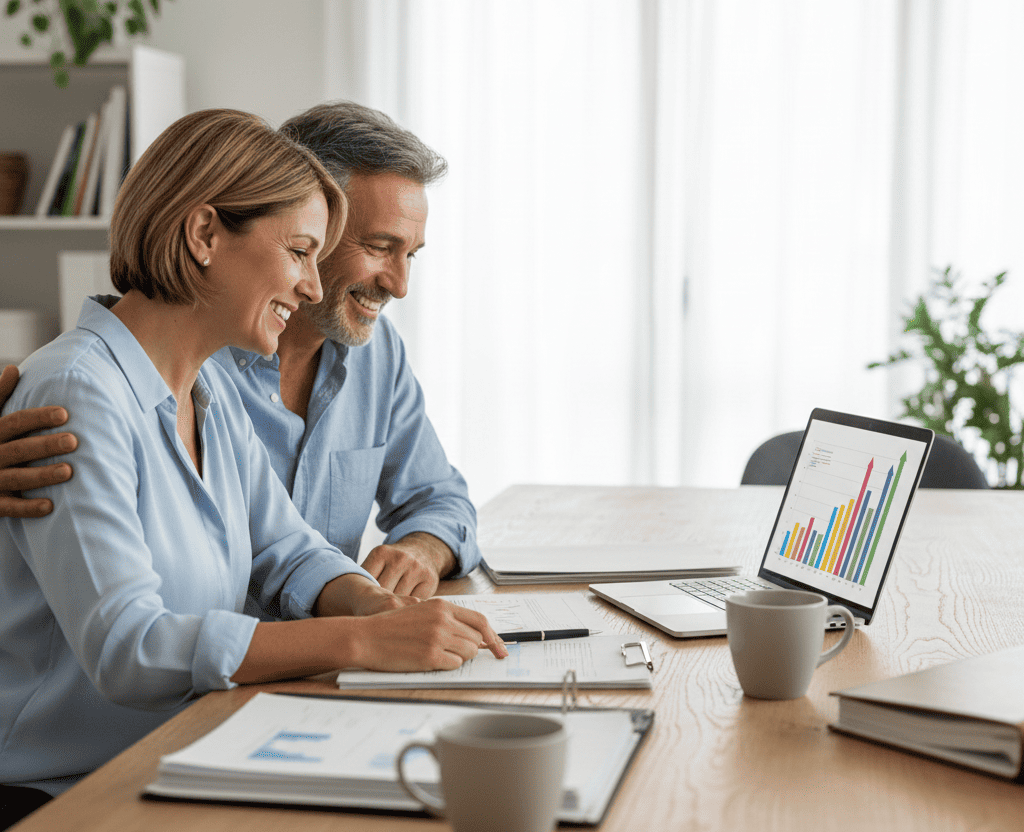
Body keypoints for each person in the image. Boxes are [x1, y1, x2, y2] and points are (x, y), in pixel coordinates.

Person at [0, 109, 505, 826]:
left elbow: (286, 547)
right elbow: (127, 646)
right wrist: (359, 640)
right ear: (205, 235)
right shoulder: (77, 393)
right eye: (301, 251)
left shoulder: (204, 393)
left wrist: (372, 603)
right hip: (72, 793)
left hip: (193, 749)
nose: (308, 286)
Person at [0, 100, 476, 606]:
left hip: (288, 671)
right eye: (380, 246)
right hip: (213, 677)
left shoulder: (367, 358)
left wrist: (409, 571)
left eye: (411, 255)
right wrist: (360, 637)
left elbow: (299, 547)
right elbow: (131, 642)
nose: (400, 286)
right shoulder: (156, 372)